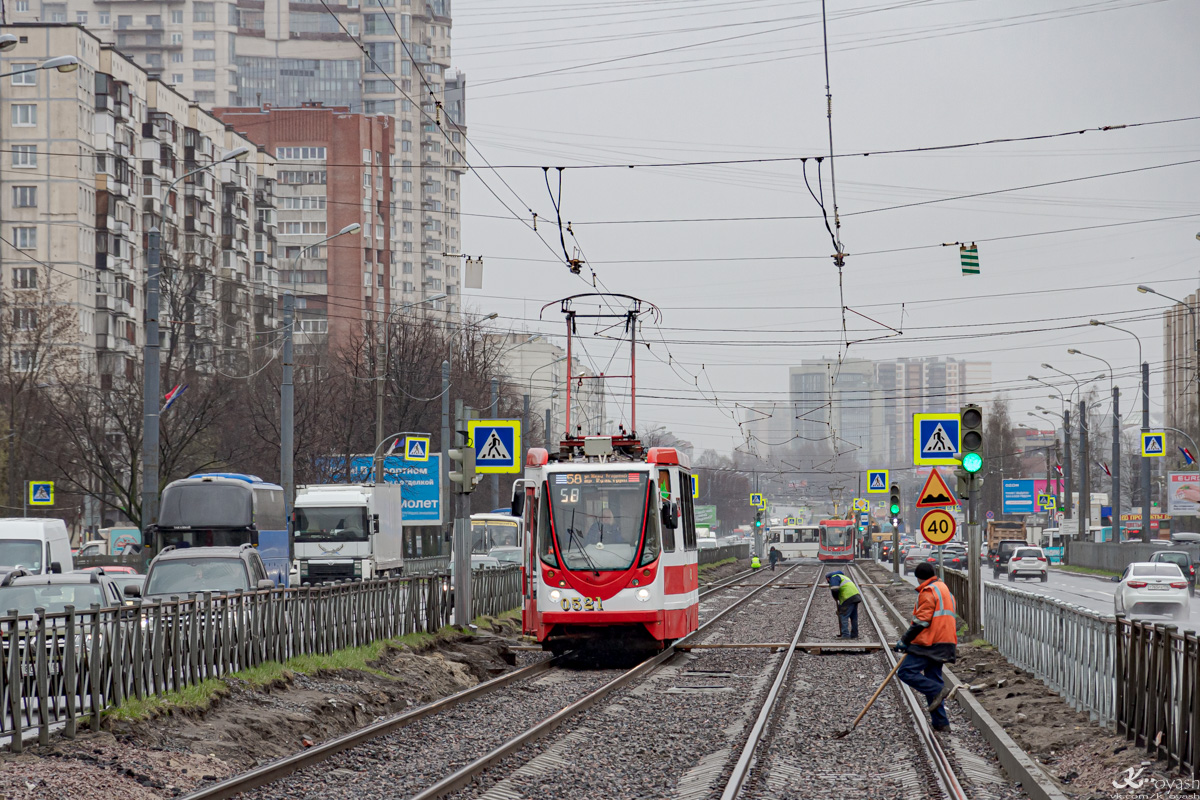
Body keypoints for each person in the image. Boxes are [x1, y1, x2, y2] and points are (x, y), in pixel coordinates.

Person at [894, 561, 958, 732]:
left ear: (919, 578)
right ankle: (941, 723)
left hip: (931, 643)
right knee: (933, 677)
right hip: (946, 642)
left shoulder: (929, 591)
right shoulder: (944, 590)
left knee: (906, 672)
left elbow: (921, 621)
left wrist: (905, 640)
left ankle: (938, 690)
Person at [825, 569, 861, 638]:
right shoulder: (842, 577)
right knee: (853, 616)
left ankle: (845, 635)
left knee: (843, 615)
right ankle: (854, 635)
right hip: (856, 596)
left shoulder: (834, 577)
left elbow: (835, 589)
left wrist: (836, 598)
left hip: (848, 597)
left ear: (827, 578)